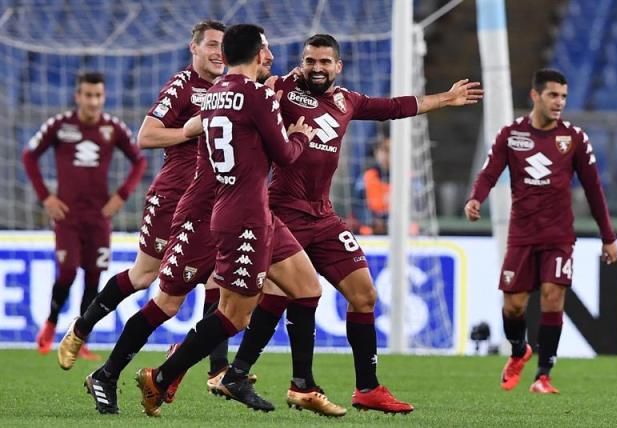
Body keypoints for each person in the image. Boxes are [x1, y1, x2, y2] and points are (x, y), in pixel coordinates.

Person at [206, 33, 482, 414]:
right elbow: (241, 102)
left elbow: (396, 107)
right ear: (301, 63)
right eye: (310, 61)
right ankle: (239, 373)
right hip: (281, 210)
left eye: (324, 62)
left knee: (364, 294)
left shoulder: (346, 101)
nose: (317, 68)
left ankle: (366, 388)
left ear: (338, 66)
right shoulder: (278, 90)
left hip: (323, 215)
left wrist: (445, 98)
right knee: (277, 295)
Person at [134, 24, 341, 418]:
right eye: (267, 50)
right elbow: (284, 154)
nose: (272, 57)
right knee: (234, 315)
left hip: (249, 209)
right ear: (255, 54)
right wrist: (298, 135)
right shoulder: (258, 94)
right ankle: (163, 378)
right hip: (244, 216)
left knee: (306, 288)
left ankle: (302, 385)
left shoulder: (213, 95)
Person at [57, 20, 225, 371]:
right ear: (193, 48)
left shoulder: (230, 88)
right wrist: (190, 130)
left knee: (218, 275)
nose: (218, 52)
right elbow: (146, 136)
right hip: (172, 197)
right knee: (143, 276)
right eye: (210, 44)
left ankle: (217, 368)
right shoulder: (183, 85)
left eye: (223, 45)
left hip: (209, 201)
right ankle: (81, 327)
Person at [464, 68, 617, 394]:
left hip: (559, 235)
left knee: (553, 296)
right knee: (514, 306)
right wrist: (476, 199)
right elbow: (489, 172)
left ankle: (543, 374)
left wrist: (609, 238)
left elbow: (594, 190)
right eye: (553, 95)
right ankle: (519, 351)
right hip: (521, 234)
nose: (559, 101)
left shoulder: (574, 138)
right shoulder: (511, 135)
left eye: (563, 96)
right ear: (535, 96)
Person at [23, 71, 146, 359]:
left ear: (104, 97)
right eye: (88, 95)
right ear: (78, 96)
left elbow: (139, 161)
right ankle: (51, 325)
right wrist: (46, 197)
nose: (93, 102)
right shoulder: (59, 125)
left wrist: (121, 196)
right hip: (67, 216)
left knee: (94, 277)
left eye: (98, 96)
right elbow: (29, 156)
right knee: (67, 272)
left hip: (99, 217)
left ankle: (80, 339)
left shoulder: (112, 127)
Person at [362, 137, 390, 234]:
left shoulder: (407, 177)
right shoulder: (368, 176)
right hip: (373, 223)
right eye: (382, 150)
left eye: (389, 151)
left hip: (398, 223)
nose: (385, 155)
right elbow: (357, 204)